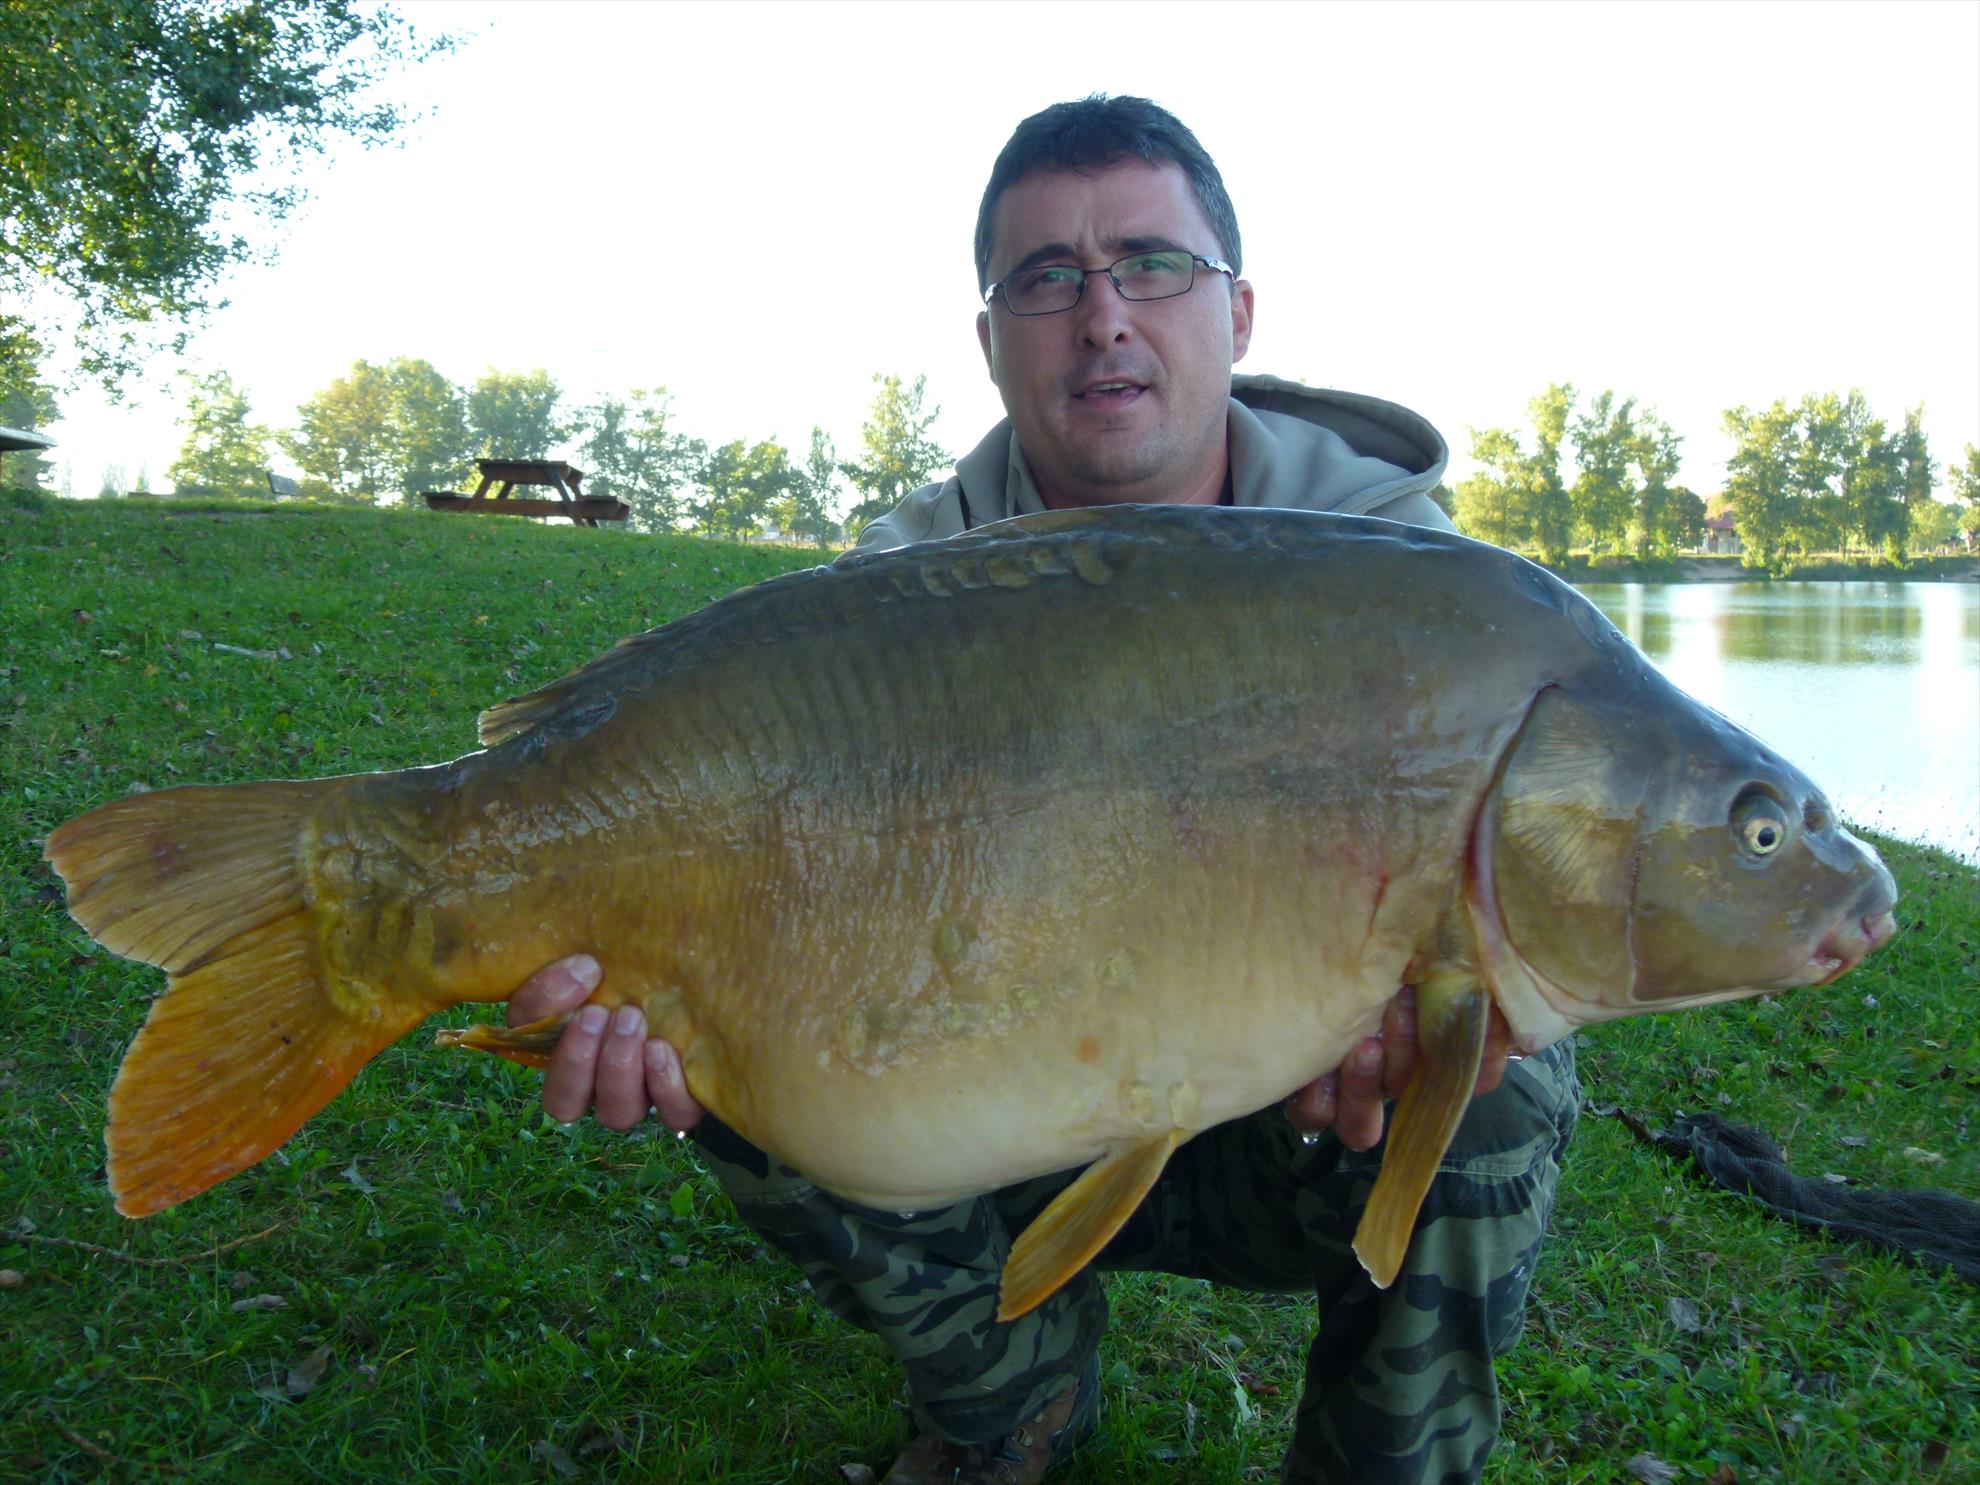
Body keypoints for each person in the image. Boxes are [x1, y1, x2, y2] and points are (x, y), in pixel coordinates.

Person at [506, 96, 1579, 1485]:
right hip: (987, 1098)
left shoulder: (1408, 586)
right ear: (992, 335)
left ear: (1239, 310)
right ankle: (1008, 1397)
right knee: (734, 1047)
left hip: (1302, 1110)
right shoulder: (888, 600)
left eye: (1152, 263)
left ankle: (1388, 1459)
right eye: (1047, 278)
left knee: (1496, 1058)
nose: (1105, 315)